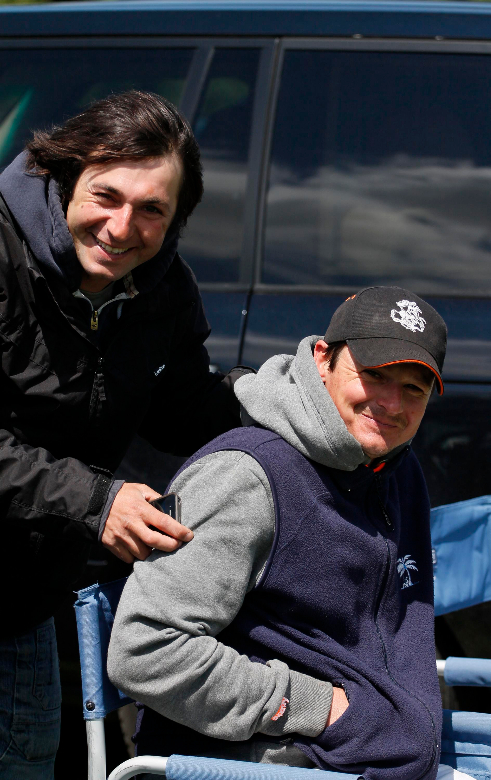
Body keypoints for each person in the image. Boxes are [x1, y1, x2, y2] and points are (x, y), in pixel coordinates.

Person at [108, 286, 473, 780]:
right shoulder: (245, 477)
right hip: (255, 764)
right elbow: (146, 651)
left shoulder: (396, 470)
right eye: (374, 374)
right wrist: (320, 709)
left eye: (415, 389)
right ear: (322, 359)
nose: (392, 403)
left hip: (380, 753)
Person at [0, 90, 249, 778]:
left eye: (151, 211)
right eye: (105, 196)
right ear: (64, 176)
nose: (121, 227)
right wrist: (96, 501)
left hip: (27, 594)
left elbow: (186, 409)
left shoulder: (161, 289)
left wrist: (298, 402)